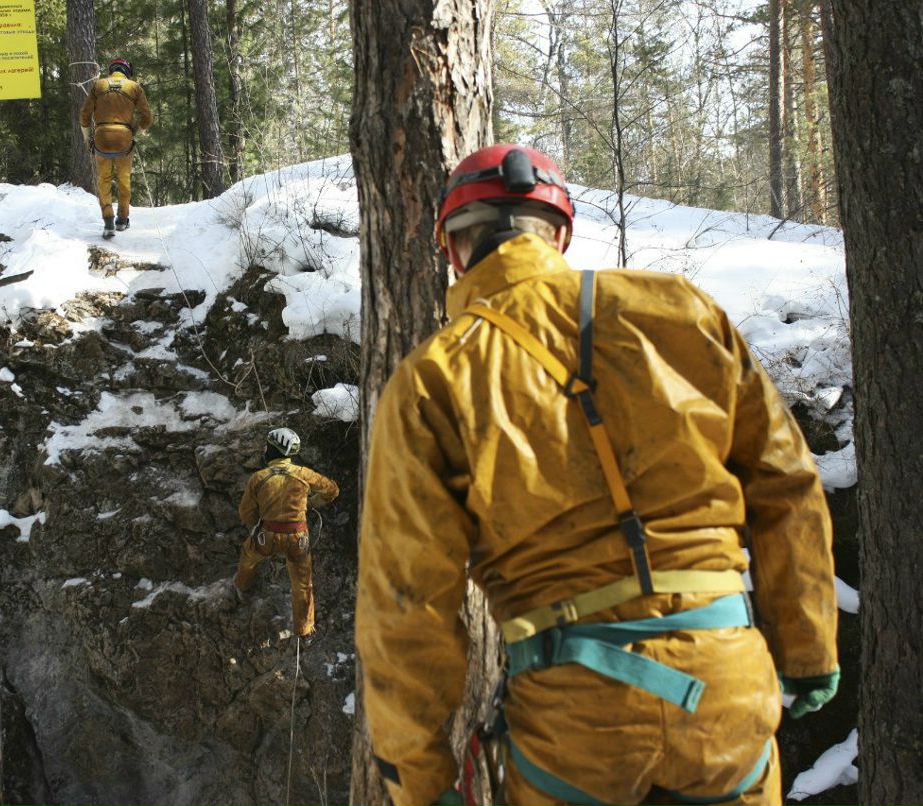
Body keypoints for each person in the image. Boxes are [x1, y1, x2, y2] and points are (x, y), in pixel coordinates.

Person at [356, 144, 839, 806]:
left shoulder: (432, 379)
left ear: (453, 251)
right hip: (725, 690)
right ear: (558, 233)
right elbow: (785, 479)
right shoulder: (681, 310)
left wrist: (418, 778)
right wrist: (808, 647)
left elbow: (405, 599)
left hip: (574, 723)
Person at [235, 427, 339, 641]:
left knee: (248, 557)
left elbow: (245, 514)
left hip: (267, 536)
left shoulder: (258, 478)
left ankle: (242, 587)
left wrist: (257, 521)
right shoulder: (303, 474)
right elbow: (332, 490)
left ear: (272, 450)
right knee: (302, 585)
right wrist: (311, 503)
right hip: (298, 538)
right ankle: (305, 629)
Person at [79, 57, 154, 238]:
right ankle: (122, 219)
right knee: (123, 179)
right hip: (124, 139)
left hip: (102, 137)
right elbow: (148, 117)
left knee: (103, 179)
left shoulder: (98, 85)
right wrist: (134, 131)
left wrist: (87, 137)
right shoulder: (134, 87)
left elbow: (84, 114)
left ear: (112, 70)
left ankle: (108, 221)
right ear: (127, 71)